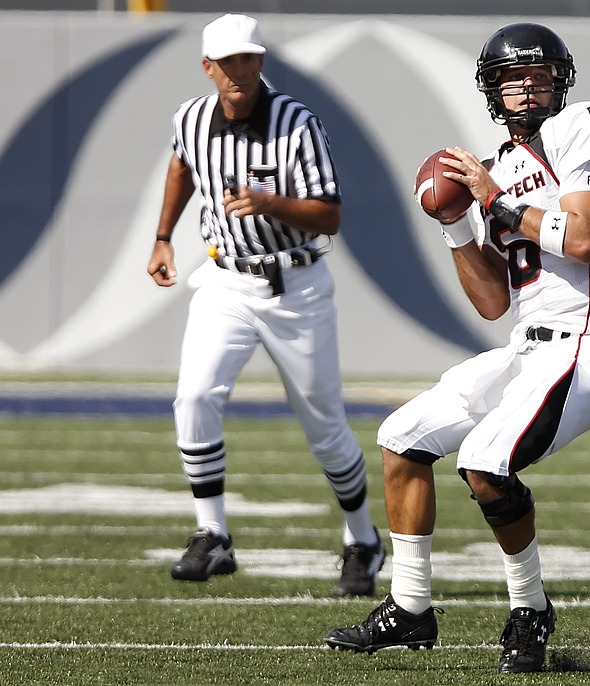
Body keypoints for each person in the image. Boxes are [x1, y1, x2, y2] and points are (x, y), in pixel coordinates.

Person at [324, 22, 590, 673]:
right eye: (514, 78)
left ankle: (530, 610)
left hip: (586, 344)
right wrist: (456, 224)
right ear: (493, 90)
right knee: (403, 436)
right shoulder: (497, 168)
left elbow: (581, 239)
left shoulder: (584, 127)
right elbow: (493, 301)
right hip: (527, 347)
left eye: (541, 75)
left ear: (562, 81)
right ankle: (411, 609)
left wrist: (494, 202)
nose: (529, 88)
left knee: (485, 461)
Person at [146, 13, 385, 597]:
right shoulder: (191, 117)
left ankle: (362, 540)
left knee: (324, 425)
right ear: (209, 67)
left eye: (248, 59)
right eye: (228, 63)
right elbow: (182, 161)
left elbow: (329, 214)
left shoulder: (297, 121)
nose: (240, 72)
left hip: (296, 284)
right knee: (196, 395)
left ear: (261, 61)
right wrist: (162, 236)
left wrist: (269, 202)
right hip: (226, 279)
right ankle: (213, 535)